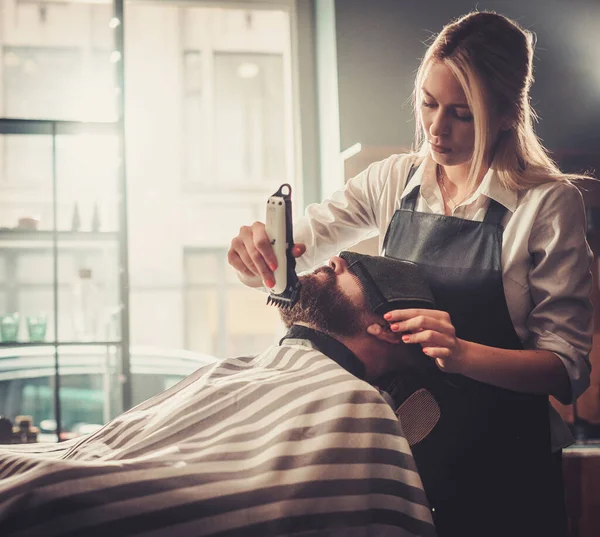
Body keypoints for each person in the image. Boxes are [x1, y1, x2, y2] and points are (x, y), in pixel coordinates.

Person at [227, 10, 594, 537]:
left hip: (506, 454)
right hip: (404, 448)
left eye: (463, 114)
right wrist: (256, 256)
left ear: (508, 113)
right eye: (428, 104)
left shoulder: (547, 204)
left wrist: (462, 354)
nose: (437, 130)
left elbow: (565, 368)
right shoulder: (393, 181)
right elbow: (295, 256)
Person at [0, 252, 438, 537]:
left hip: (47, 497)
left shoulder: (359, 406)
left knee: (40, 491)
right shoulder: (241, 367)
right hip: (42, 472)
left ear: (390, 327)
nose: (334, 261)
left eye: (354, 270)